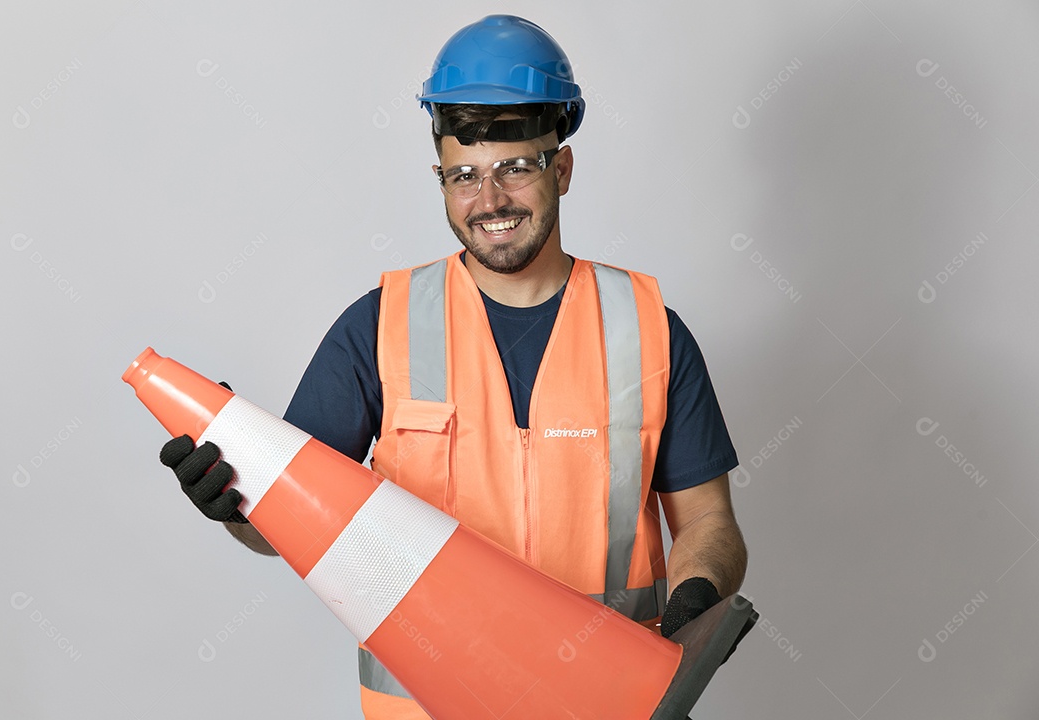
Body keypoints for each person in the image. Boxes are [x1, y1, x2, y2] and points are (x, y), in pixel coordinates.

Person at [159, 14, 748, 720]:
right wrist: (232, 495)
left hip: (607, 703)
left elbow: (709, 519)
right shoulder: (377, 329)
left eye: (515, 168)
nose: (489, 200)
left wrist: (695, 603)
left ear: (560, 168)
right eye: (462, 175)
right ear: (439, 178)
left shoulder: (648, 329)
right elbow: (287, 519)